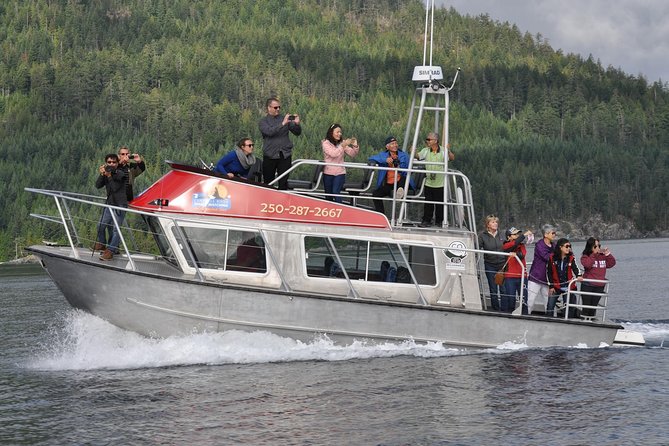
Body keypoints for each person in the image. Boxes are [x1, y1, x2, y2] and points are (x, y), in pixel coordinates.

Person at [258, 97, 302, 190]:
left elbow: (297, 132)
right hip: (270, 155)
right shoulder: (263, 121)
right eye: (275, 107)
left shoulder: (284, 119)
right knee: (268, 183)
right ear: (268, 108)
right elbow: (269, 132)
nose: (278, 109)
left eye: (279, 107)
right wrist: (282, 124)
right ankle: (268, 202)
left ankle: (282, 202)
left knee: (283, 182)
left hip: (284, 155)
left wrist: (297, 124)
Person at [415, 132, 454, 227]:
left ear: (435, 141)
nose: (427, 141)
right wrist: (413, 151)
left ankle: (439, 221)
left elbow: (452, 158)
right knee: (428, 204)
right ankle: (426, 221)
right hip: (429, 181)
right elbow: (418, 156)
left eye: (429, 139)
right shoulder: (426, 150)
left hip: (440, 183)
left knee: (439, 204)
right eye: (427, 139)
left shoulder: (444, 151)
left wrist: (449, 150)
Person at [94, 154, 128, 261]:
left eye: (114, 162)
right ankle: (102, 244)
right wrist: (102, 174)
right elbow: (98, 185)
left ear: (117, 164)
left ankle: (111, 251)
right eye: (109, 162)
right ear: (106, 163)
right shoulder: (107, 173)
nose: (111, 164)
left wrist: (108, 176)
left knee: (115, 229)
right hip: (109, 204)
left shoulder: (121, 174)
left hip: (120, 204)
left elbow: (114, 189)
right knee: (100, 225)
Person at [368, 136, 413, 214]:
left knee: (404, 179)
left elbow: (408, 170)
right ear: (387, 146)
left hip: (401, 181)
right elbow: (371, 158)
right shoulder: (383, 155)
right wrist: (385, 160)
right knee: (376, 194)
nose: (395, 145)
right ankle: (381, 215)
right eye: (392, 144)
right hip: (389, 183)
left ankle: (399, 191)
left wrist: (399, 166)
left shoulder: (403, 155)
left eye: (396, 143)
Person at [580, 237, 616, 319]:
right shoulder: (585, 256)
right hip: (588, 285)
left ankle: (592, 322)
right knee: (586, 307)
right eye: (595, 246)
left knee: (593, 307)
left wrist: (608, 254)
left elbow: (611, 263)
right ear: (591, 247)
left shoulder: (602, 256)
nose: (598, 248)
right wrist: (593, 254)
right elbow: (588, 265)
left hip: (599, 286)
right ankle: (584, 322)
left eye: (599, 245)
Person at [322, 124, 359, 203]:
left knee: (336, 192)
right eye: (337, 132)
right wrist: (342, 146)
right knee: (328, 196)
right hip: (328, 172)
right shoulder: (326, 143)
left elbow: (352, 154)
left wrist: (355, 146)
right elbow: (333, 154)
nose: (340, 134)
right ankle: (329, 213)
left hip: (340, 172)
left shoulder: (342, 143)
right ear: (331, 132)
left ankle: (340, 211)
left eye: (340, 132)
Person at [501, 227, 533, 313]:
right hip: (510, 277)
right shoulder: (505, 245)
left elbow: (522, 255)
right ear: (509, 237)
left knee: (524, 299)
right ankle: (510, 315)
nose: (517, 235)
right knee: (511, 299)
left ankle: (525, 315)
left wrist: (516, 254)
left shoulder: (522, 245)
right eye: (515, 234)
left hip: (522, 276)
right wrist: (524, 235)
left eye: (517, 234)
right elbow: (512, 245)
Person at [547, 238, 582, 318]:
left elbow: (576, 268)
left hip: (569, 287)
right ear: (560, 247)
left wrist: (579, 275)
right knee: (550, 307)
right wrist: (551, 286)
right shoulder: (552, 258)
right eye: (566, 246)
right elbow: (549, 272)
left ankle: (568, 323)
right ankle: (548, 322)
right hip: (556, 286)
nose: (568, 248)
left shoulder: (571, 258)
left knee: (570, 308)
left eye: (570, 246)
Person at [527, 224, 557, 315]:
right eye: (553, 233)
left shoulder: (554, 245)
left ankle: (552, 319)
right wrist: (558, 257)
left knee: (549, 302)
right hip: (536, 277)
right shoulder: (539, 245)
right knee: (530, 301)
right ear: (546, 234)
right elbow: (547, 257)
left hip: (547, 279)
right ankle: (525, 316)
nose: (554, 235)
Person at [478, 214, 506, 311]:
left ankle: (504, 308)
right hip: (490, 264)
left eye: (496, 222)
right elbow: (476, 247)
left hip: (503, 264)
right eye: (493, 222)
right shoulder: (482, 236)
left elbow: (510, 244)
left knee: (503, 288)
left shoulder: (503, 234)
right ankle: (496, 309)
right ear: (488, 224)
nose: (495, 224)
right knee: (493, 288)